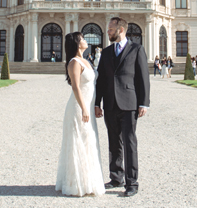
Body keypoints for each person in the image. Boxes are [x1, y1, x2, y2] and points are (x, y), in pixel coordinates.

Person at [95, 16, 150, 198]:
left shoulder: (137, 49)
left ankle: (132, 182)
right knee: (113, 142)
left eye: (110, 29)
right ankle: (116, 177)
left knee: (129, 142)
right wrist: (97, 103)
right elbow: (101, 80)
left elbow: (143, 78)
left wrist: (144, 103)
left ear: (121, 30)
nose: (108, 32)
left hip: (129, 103)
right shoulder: (106, 52)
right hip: (110, 103)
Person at [55, 32, 104, 197]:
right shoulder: (74, 62)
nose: (85, 40)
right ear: (76, 43)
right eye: (82, 38)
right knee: (79, 142)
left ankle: (87, 181)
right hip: (78, 107)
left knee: (88, 142)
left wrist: (94, 106)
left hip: (88, 106)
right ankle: (75, 183)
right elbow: (75, 87)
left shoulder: (86, 60)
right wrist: (83, 107)